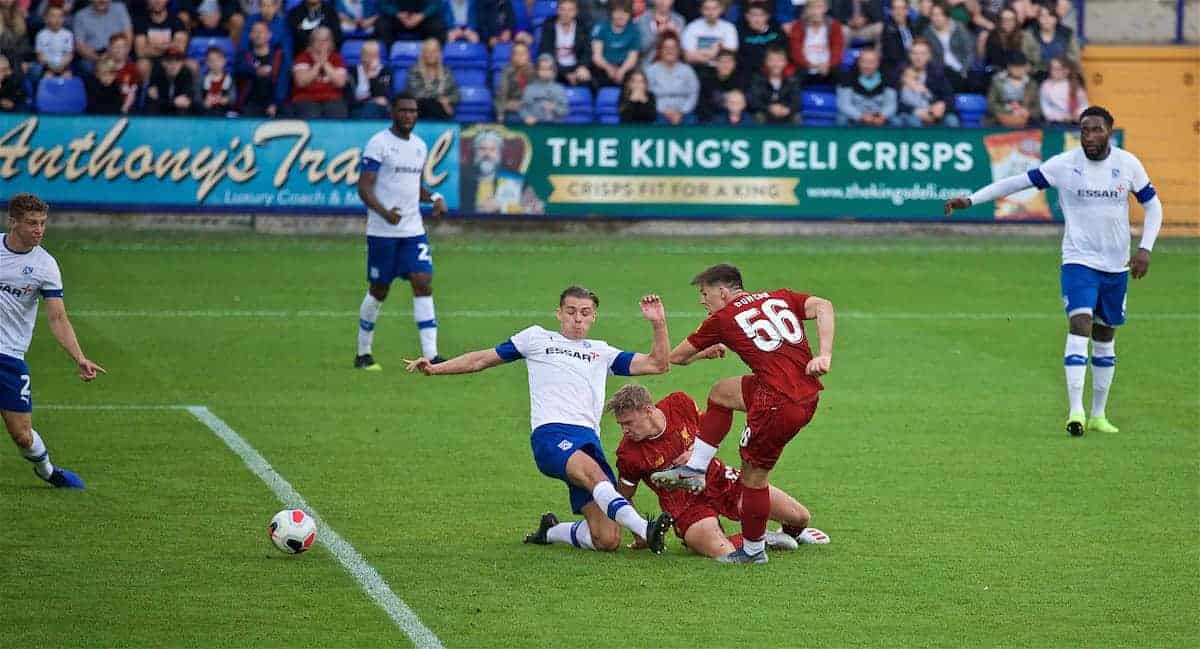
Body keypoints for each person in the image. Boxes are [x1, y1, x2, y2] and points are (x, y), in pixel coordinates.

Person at [944, 106, 1162, 436]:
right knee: (1080, 324)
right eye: (1084, 130)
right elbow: (1017, 183)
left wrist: (1145, 247)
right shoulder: (1065, 164)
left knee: (1105, 336)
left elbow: (1153, 205)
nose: (1089, 136)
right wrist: (971, 200)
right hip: (1078, 261)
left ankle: (1099, 414)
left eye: (1096, 130)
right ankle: (1075, 411)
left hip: (1116, 264)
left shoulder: (1127, 164)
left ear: (1110, 132)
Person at [407, 287, 675, 555]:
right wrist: (434, 368)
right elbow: (480, 359)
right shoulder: (535, 338)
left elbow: (658, 364)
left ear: (594, 317)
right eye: (570, 312)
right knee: (594, 476)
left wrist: (658, 324)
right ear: (558, 313)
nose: (577, 318)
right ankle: (645, 528)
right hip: (552, 435)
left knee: (607, 539)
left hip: (588, 441)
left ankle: (550, 531)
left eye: (585, 313)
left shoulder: (601, 352)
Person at [652, 263, 836, 564]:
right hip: (805, 392)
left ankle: (752, 551)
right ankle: (695, 469)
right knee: (721, 392)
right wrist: (824, 354)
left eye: (705, 293)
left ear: (723, 292)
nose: (703, 300)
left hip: (776, 403)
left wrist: (702, 352)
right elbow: (824, 306)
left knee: (753, 478)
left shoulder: (723, 318)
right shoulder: (780, 297)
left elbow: (677, 357)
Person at [602, 384, 830, 559]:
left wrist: (694, 451)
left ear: (648, 410)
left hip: (720, 480)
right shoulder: (628, 454)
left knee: (800, 517)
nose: (625, 430)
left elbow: (710, 431)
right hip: (686, 507)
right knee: (723, 551)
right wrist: (639, 530)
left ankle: (792, 534)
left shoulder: (678, 404)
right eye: (622, 425)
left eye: (629, 423)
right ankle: (764, 539)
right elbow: (624, 497)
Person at [1, 194, 106, 490]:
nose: (39, 230)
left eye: (43, 223)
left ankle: (47, 471)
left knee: (22, 435)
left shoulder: (45, 265)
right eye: (31, 223)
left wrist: (80, 358)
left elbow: (58, 318)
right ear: (13, 222)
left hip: (9, 356)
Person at [354, 93, 448, 371]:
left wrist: (433, 198)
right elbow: (364, 187)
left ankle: (431, 354)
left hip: (412, 231)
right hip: (383, 233)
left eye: (413, 111)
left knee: (423, 281)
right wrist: (385, 213)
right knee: (379, 290)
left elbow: (412, 187)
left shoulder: (419, 146)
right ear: (393, 112)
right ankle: (363, 353)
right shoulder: (379, 144)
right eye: (404, 110)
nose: (409, 115)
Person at [892, 38, 957, 126]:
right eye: (914, 53)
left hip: (932, 112)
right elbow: (893, 101)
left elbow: (950, 97)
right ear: (909, 55)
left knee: (952, 120)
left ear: (929, 56)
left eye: (923, 54)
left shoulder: (937, 73)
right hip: (909, 113)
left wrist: (943, 106)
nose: (918, 57)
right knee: (912, 121)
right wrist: (915, 111)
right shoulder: (899, 73)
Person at [290, 25, 349, 118]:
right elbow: (301, 82)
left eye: (325, 40)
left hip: (332, 98)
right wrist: (318, 65)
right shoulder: (302, 58)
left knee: (337, 115)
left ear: (331, 43)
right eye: (318, 40)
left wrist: (325, 63)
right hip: (306, 98)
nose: (321, 43)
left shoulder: (337, 59)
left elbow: (340, 83)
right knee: (310, 114)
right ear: (312, 42)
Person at [235, 19, 288, 117]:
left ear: (269, 35)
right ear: (250, 35)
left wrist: (275, 104)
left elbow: (282, 83)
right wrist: (255, 72)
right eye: (255, 31)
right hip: (249, 103)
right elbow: (239, 71)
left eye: (262, 31)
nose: (258, 35)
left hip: (274, 103)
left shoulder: (279, 56)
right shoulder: (244, 55)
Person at [644, 32, 698, 124]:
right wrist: (664, 111)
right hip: (659, 112)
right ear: (660, 50)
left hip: (684, 112)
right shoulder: (651, 71)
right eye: (666, 48)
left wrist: (681, 112)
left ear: (678, 50)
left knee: (692, 122)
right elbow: (648, 96)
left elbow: (693, 94)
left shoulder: (687, 70)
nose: (670, 51)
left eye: (673, 48)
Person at [788, 0, 843, 86]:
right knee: (793, 79)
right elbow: (795, 51)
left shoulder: (834, 25)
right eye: (812, 7)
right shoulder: (798, 26)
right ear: (806, 10)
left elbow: (837, 49)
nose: (815, 11)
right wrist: (809, 65)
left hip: (827, 67)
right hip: (805, 67)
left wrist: (829, 64)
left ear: (825, 9)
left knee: (843, 78)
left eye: (819, 7)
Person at [536, 0, 591, 86]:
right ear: (557, 10)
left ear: (576, 12)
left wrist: (582, 66)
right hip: (555, 67)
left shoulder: (582, 26)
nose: (566, 13)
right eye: (563, 9)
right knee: (545, 72)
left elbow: (587, 51)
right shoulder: (549, 25)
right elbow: (546, 50)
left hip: (576, 66)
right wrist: (564, 73)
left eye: (570, 10)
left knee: (587, 77)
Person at [836, 47, 895, 126]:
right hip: (856, 116)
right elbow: (844, 104)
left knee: (896, 120)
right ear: (858, 62)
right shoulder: (847, 78)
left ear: (878, 63)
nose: (867, 66)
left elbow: (891, 104)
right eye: (864, 62)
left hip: (879, 117)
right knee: (841, 119)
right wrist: (860, 116)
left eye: (871, 62)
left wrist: (882, 116)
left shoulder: (887, 78)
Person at [73, 0, 133, 75]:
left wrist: (122, 55)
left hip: (119, 52)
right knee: (86, 66)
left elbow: (128, 35)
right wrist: (99, 59)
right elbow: (79, 45)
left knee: (130, 66)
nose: (102, 1)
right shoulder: (80, 16)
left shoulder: (119, 8)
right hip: (94, 56)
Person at [405, 37, 458, 119]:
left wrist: (447, 100)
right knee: (427, 103)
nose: (431, 54)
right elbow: (417, 93)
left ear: (439, 53)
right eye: (428, 51)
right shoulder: (414, 71)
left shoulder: (446, 72)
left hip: (440, 111)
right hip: (421, 110)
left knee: (437, 106)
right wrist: (440, 98)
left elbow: (456, 94)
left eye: (434, 51)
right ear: (423, 53)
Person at [590, 0, 639, 88]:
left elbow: (632, 58)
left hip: (625, 69)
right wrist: (608, 68)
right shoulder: (601, 27)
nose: (621, 16)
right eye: (618, 12)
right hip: (603, 68)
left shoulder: (634, 30)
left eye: (625, 13)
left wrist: (621, 71)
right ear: (612, 13)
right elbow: (597, 57)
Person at [984, 50, 1038, 128]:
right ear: (1009, 67)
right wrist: (1008, 109)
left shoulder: (1031, 84)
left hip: (1025, 120)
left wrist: (1028, 112)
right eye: (1015, 67)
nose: (1018, 70)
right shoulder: (998, 81)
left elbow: (1037, 108)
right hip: (1000, 119)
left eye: (1021, 67)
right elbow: (991, 104)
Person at [748, 45, 798, 124]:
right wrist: (769, 108)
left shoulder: (792, 79)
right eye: (772, 60)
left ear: (785, 62)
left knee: (797, 117)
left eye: (779, 60)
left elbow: (796, 101)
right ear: (766, 62)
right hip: (765, 113)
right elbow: (754, 101)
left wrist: (788, 109)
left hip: (785, 113)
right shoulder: (758, 78)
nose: (776, 64)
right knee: (758, 116)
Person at [681, 0, 736, 69]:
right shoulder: (691, 27)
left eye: (714, 9)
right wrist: (714, 52)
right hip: (697, 69)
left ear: (721, 9)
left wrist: (700, 53)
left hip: (721, 70)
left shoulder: (729, 28)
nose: (711, 12)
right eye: (707, 9)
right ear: (701, 10)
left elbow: (730, 54)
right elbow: (688, 57)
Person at [736, 0, 786, 77]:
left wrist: (764, 32)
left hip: (774, 68)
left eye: (761, 15)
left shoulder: (775, 28)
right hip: (749, 72)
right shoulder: (740, 31)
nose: (757, 19)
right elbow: (742, 57)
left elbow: (782, 49)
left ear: (767, 16)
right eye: (754, 15)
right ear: (747, 16)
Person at [144, 46, 194, 115]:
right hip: (161, 111)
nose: (173, 65)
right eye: (169, 61)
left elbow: (185, 101)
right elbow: (152, 99)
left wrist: (164, 100)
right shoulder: (157, 73)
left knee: (183, 109)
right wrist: (173, 102)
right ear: (163, 63)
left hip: (178, 112)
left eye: (177, 60)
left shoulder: (186, 74)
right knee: (152, 107)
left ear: (182, 63)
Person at [519, 53, 568, 125]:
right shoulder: (530, 89)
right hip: (534, 127)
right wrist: (527, 117)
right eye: (542, 69)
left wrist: (554, 107)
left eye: (548, 69)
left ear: (553, 71)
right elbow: (522, 108)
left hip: (555, 127)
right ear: (537, 70)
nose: (545, 72)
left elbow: (565, 110)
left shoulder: (559, 89)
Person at [1039, 55, 1087, 125]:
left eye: (1059, 68)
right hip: (1055, 123)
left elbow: (1084, 104)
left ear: (1067, 70)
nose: (1056, 71)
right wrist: (1061, 117)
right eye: (1053, 68)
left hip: (1075, 123)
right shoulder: (1046, 86)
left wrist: (1078, 114)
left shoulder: (1074, 84)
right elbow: (1045, 108)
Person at [350, 39, 391, 118]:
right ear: (362, 55)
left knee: (372, 108)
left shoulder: (385, 72)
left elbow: (384, 98)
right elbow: (350, 99)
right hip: (358, 108)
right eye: (368, 54)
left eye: (375, 55)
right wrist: (370, 99)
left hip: (379, 109)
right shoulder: (353, 71)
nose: (372, 58)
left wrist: (372, 77)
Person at [634, 0, 684, 65]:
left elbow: (683, 52)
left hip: (672, 67)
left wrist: (676, 36)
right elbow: (640, 49)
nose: (663, 2)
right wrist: (657, 34)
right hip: (648, 66)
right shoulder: (642, 20)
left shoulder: (679, 20)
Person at [494, 40, 533, 122]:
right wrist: (501, 112)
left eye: (523, 53)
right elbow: (501, 93)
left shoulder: (534, 71)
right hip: (511, 110)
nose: (520, 56)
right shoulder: (507, 72)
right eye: (517, 53)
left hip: (531, 109)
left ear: (528, 55)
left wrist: (521, 105)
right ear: (512, 56)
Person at [33, 5, 73, 82]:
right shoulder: (41, 35)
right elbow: (40, 55)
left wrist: (61, 66)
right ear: (46, 19)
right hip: (47, 66)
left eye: (60, 16)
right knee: (47, 78)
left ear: (64, 19)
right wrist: (51, 67)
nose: (57, 19)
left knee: (68, 77)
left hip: (64, 66)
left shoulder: (68, 34)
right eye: (53, 16)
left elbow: (69, 54)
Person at [199, 45, 234, 115]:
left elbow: (233, 98)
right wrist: (204, 103)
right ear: (207, 62)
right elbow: (196, 98)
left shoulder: (229, 79)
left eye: (218, 60)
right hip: (206, 114)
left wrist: (224, 100)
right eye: (211, 60)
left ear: (224, 61)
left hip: (224, 113)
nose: (215, 63)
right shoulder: (202, 79)